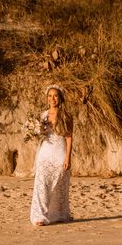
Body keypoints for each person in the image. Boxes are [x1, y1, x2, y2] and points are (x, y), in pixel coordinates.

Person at [29, 84, 74, 226]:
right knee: (42, 184)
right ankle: (39, 216)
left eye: (55, 96)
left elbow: (69, 137)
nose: (52, 98)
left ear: (60, 98)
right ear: (47, 98)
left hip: (59, 152)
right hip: (45, 153)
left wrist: (68, 157)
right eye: (50, 96)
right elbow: (40, 135)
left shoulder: (66, 115)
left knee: (59, 184)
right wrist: (35, 131)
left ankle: (58, 214)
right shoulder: (43, 115)